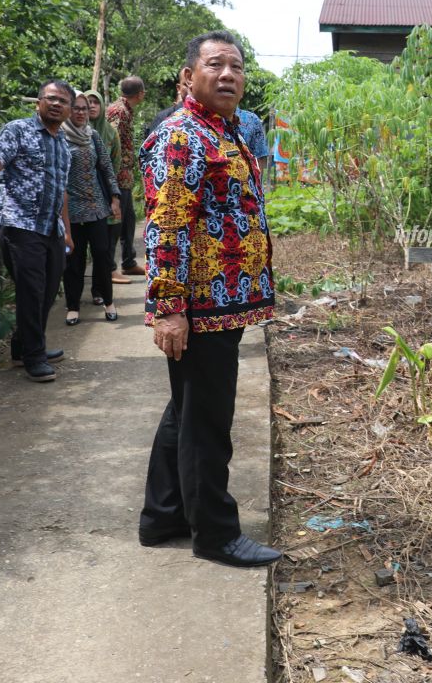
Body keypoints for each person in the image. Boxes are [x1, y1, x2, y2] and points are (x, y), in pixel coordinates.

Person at [139, 30, 280, 568]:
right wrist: (170, 307)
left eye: (237, 66)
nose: (228, 75)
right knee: (207, 422)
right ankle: (216, 535)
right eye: (215, 64)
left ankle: (163, 514)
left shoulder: (222, 130)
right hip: (201, 308)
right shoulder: (183, 136)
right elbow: (167, 225)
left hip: (225, 301)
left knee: (187, 411)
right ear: (189, 76)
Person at [0, 80, 74, 382]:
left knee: (47, 289)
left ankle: (23, 347)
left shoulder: (63, 144)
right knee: (31, 291)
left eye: (63, 101)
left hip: (50, 226)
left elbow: (62, 191)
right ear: (39, 102)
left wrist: (67, 230)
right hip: (19, 222)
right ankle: (33, 356)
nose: (56, 104)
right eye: (51, 99)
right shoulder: (17, 130)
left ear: (69, 110)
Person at [62, 92, 122, 326]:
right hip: (71, 209)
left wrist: (115, 197)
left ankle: (108, 301)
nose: (80, 112)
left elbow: (106, 167)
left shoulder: (93, 135)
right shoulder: (60, 137)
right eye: (75, 108)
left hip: (97, 206)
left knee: (102, 254)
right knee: (74, 259)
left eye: (84, 109)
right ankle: (73, 307)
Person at [84, 88, 130, 295]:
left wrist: (114, 197)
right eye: (88, 102)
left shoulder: (110, 133)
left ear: (102, 106)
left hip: (104, 194)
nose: (92, 106)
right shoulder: (72, 130)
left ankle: (100, 291)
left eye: (96, 102)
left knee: (104, 246)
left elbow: (115, 164)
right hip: (77, 198)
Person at [105, 75, 146, 279]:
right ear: (140, 94)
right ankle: (110, 268)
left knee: (129, 220)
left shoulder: (126, 111)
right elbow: (111, 144)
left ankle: (128, 262)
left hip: (126, 175)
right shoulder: (119, 112)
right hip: (117, 176)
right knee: (116, 222)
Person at [236, 107, 269, 180]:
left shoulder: (251, 119)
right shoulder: (204, 122)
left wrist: (258, 185)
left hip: (247, 183)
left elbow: (260, 156)